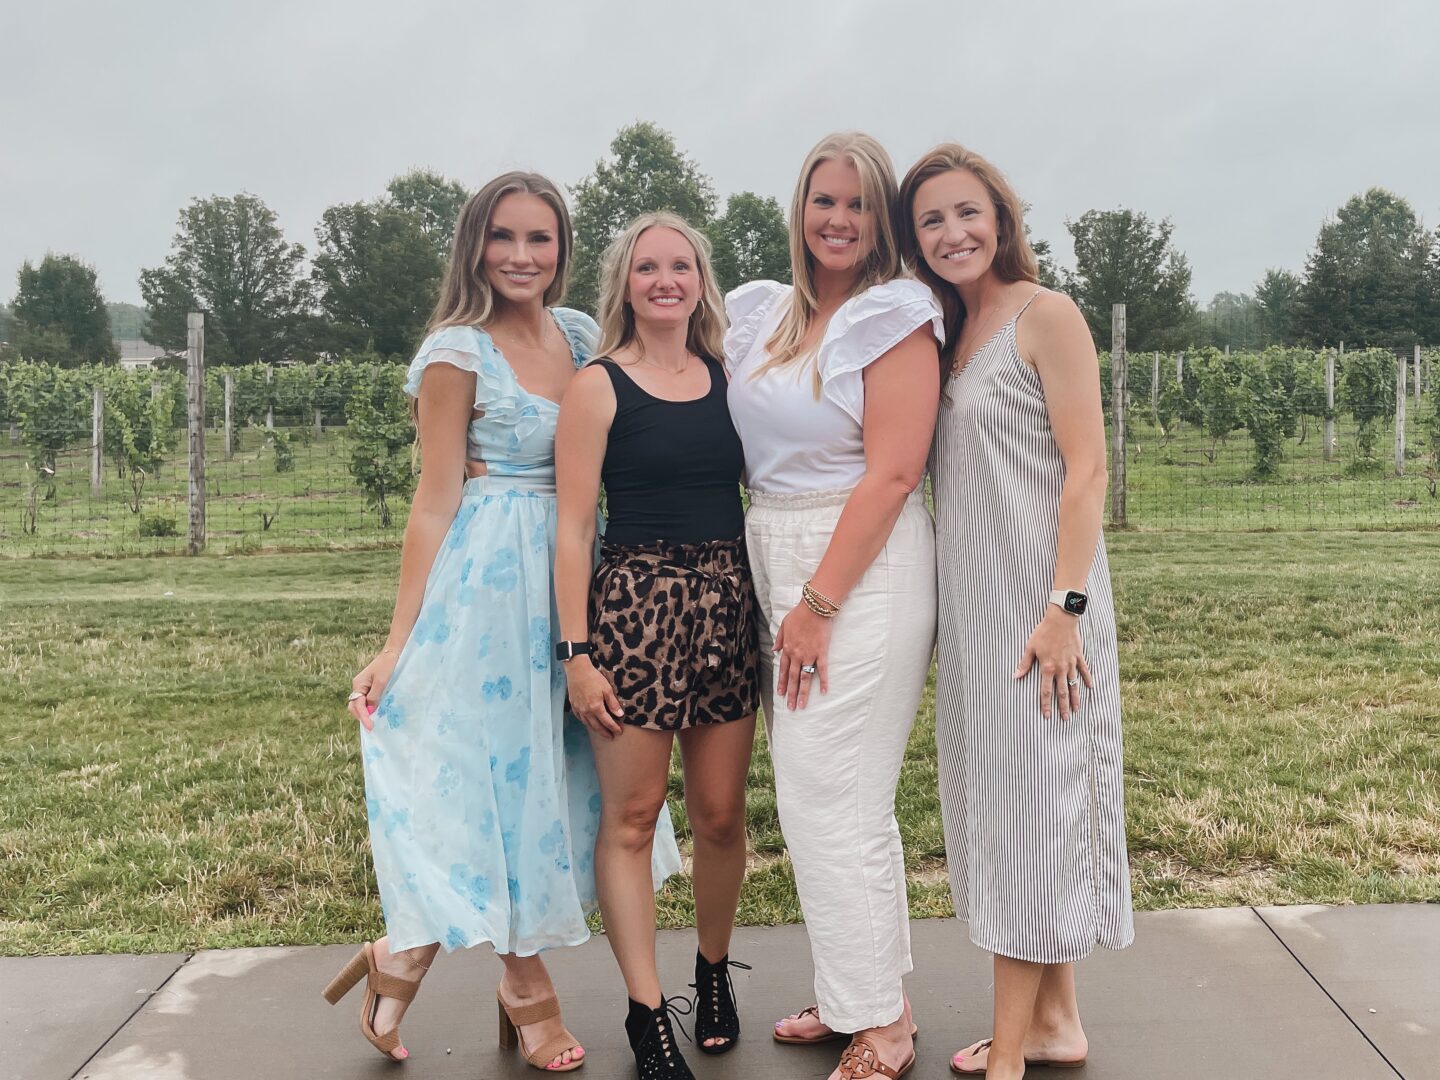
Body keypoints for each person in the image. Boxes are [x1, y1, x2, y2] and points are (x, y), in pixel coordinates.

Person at [323, 170, 680, 1071]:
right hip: (488, 584)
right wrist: (398, 641)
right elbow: (434, 502)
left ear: (563, 249)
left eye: (541, 239)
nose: (523, 256)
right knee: (496, 781)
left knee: (563, 781)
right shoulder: (457, 352)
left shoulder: (580, 335)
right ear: (475, 246)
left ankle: (400, 954)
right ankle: (522, 987)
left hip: (580, 577)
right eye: (505, 238)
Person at [898, 143, 1134, 1080]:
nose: (953, 233)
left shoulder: (1048, 314)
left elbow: (1089, 469)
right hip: (977, 613)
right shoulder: (943, 332)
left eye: (966, 212)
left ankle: (1007, 1058)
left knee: (1037, 813)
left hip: (1048, 610)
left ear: (999, 217)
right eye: (931, 220)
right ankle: (1055, 1024)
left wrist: (1065, 607)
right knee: (1012, 809)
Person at [724, 132, 943, 1080]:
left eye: (858, 204)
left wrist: (815, 602)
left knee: (833, 795)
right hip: (769, 541)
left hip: (858, 558)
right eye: (824, 200)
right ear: (799, 209)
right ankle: (859, 989)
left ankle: (883, 1025)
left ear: (881, 216)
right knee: (824, 792)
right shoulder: (765, 314)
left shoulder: (895, 315)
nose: (839, 220)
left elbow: (895, 471)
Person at [554, 211, 760, 1080]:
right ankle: (645, 1014)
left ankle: (713, 974)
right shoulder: (599, 385)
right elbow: (572, 529)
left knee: (719, 815)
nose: (665, 280)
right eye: (648, 268)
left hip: (725, 608)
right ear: (625, 284)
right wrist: (577, 653)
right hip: (632, 612)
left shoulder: (730, 379)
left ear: (701, 280)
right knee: (632, 820)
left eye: (681, 265)